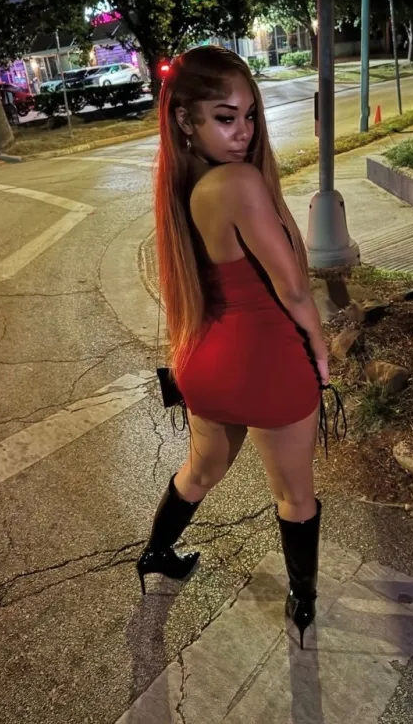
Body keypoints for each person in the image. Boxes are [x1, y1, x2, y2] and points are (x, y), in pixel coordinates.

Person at [136, 45, 329, 649]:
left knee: (202, 470)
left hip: (207, 363)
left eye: (249, 115)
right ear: (185, 120)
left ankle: (155, 553)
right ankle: (303, 600)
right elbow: (293, 289)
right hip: (266, 366)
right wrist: (321, 352)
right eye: (225, 117)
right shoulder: (240, 181)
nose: (243, 132)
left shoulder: (185, 185)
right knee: (294, 495)